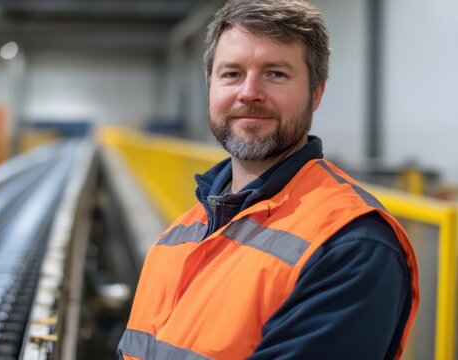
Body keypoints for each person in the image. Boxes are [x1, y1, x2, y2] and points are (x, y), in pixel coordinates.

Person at [116, 0, 419, 359]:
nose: (249, 92)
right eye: (231, 73)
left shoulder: (350, 245)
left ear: (316, 94)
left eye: (275, 73)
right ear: (210, 87)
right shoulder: (178, 237)